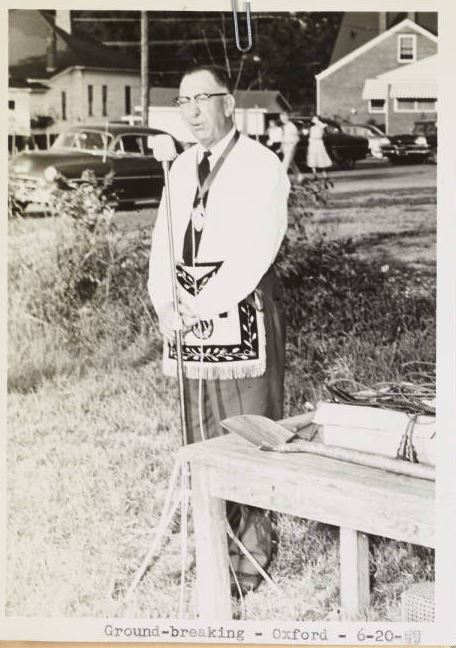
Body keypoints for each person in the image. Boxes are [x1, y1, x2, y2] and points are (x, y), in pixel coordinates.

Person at [148, 65, 290, 596]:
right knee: (200, 434)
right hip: (187, 322)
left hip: (240, 314)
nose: (191, 111)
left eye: (201, 98)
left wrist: (204, 303)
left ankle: (250, 560)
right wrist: (164, 301)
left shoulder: (261, 165)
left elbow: (259, 247)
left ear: (228, 103)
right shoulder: (180, 168)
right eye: (182, 102)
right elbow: (163, 240)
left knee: (247, 431)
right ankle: (210, 547)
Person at [279, 110, 303, 182]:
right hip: (285, 147)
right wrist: (282, 146)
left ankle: (281, 181)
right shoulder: (284, 127)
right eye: (281, 118)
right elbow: (283, 137)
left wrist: (292, 147)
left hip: (291, 147)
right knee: (291, 163)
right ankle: (300, 177)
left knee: (285, 164)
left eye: (283, 117)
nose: (282, 119)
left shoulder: (292, 126)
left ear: (287, 117)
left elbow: (297, 138)